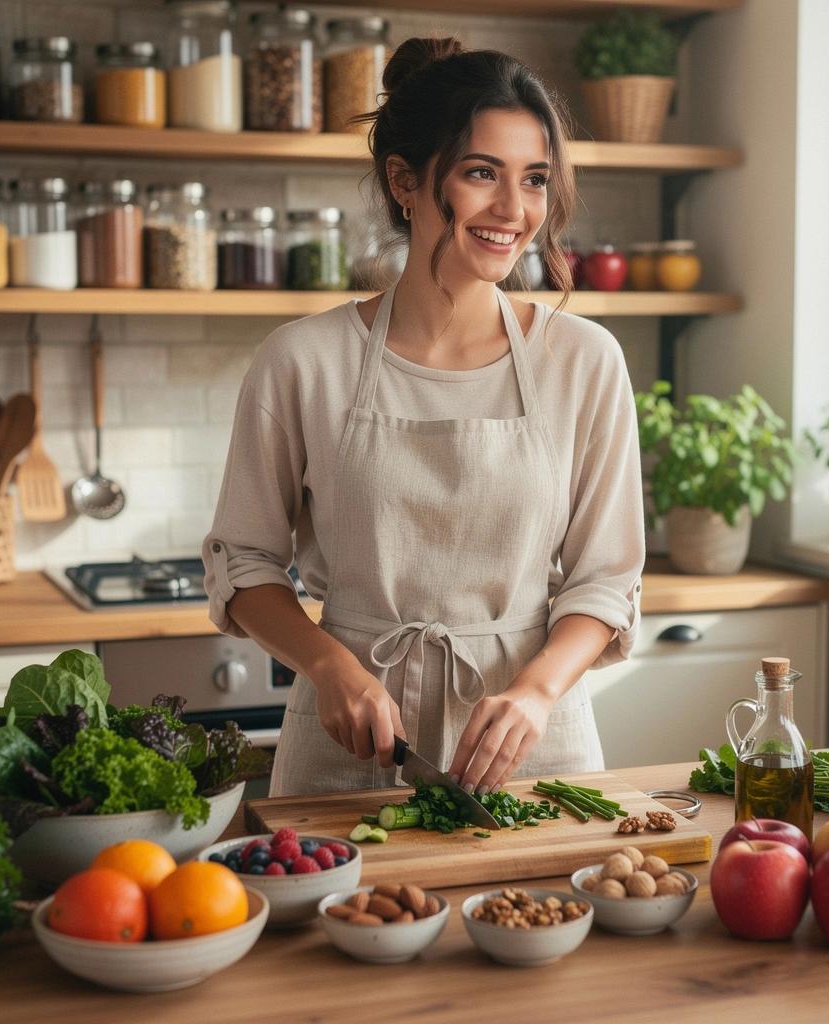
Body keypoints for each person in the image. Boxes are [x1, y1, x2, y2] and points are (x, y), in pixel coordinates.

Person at [202, 37, 644, 799]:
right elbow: (242, 567)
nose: (514, 211)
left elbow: (606, 582)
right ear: (404, 181)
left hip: (535, 754)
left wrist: (537, 692)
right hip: (351, 748)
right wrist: (327, 664)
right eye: (482, 174)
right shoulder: (303, 360)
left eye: (534, 180)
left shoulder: (584, 361)